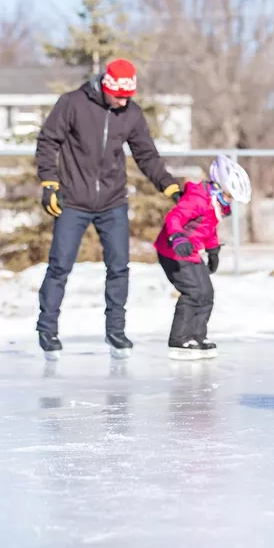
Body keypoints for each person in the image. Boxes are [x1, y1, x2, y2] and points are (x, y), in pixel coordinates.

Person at [35, 58, 182, 360]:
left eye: (128, 97)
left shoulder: (131, 114)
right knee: (60, 265)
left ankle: (116, 331)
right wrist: (49, 183)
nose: (122, 102)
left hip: (113, 202)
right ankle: (47, 329)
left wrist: (168, 184)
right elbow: (48, 141)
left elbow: (146, 154)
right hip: (73, 200)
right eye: (118, 96)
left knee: (119, 267)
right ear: (105, 86)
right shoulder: (73, 104)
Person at [153, 155, 251, 360]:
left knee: (206, 293)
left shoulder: (215, 204)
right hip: (173, 251)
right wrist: (177, 237)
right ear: (221, 188)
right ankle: (179, 340)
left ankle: (197, 336)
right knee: (192, 292)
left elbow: (208, 229)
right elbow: (174, 217)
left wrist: (213, 251)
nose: (231, 201)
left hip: (191, 252)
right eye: (230, 195)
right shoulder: (198, 198)